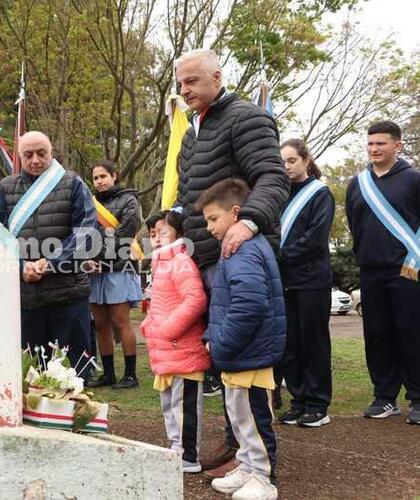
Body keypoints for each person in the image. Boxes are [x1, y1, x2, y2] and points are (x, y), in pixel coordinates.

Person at [174, 48, 289, 475]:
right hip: (205, 256)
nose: (185, 90)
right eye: (181, 83)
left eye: (192, 81)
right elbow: (192, 197)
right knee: (225, 356)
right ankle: (239, 446)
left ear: (217, 77)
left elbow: (273, 178)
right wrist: (173, 228)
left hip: (238, 252)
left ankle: (256, 457)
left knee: (246, 358)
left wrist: (251, 223)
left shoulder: (247, 118)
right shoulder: (191, 133)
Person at [198, 179, 285, 500]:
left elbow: (249, 306)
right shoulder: (235, 249)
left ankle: (263, 477)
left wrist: (219, 344)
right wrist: (213, 335)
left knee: (255, 419)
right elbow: (224, 304)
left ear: (235, 213)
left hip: (250, 356)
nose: (209, 228)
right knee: (239, 417)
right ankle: (248, 467)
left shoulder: (244, 251)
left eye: (213, 219)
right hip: (239, 356)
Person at [0, 131, 96, 374]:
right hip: (25, 299)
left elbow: (86, 233)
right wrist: (20, 267)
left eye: (41, 153)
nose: (35, 160)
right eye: (28, 155)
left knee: (72, 375)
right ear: (19, 157)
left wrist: (50, 263)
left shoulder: (73, 183)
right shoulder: (6, 188)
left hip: (67, 295)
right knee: (29, 376)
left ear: (51, 153)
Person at [345, 121, 420, 425]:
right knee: (376, 335)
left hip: (408, 270)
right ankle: (384, 396)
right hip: (371, 270)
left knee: (411, 333)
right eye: (371, 143)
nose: (375, 149)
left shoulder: (414, 180)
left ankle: (417, 397)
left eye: (381, 144)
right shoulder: (357, 184)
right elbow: (355, 223)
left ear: (397, 146)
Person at [141, 210, 209, 473]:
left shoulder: (180, 261)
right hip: (168, 351)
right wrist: (150, 326)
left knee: (185, 408)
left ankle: (188, 455)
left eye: (163, 231)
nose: (157, 238)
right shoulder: (161, 264)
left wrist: (168, 330)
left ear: (179, 234)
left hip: (183, 350)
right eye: (152, 234)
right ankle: (175, 448)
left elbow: (195, 300)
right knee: (169, 405)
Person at [275, 139, 335, 428]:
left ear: (306, 160)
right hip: (285, 281)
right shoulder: (278, 194)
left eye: (291, 160)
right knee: (291, 345)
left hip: (312, 280)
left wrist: (281, 256)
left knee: (314, 343)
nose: (286, 166)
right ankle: (298, 401)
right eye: (282, 161)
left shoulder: (320, 194)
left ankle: (318, 404)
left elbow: (314, 238)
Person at [86, 160, 143, 389]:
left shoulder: (129, 199)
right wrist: (88, 260)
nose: (99, 181)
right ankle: (108, 374)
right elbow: (84, 234)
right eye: (96, 178)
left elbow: (126, 232)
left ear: (114, 176)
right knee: (100, 324)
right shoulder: (89, 204)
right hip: (96, 271)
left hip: (119, 267)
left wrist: (100, 258)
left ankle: (130, 375)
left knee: (121, 322)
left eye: (103, 176)